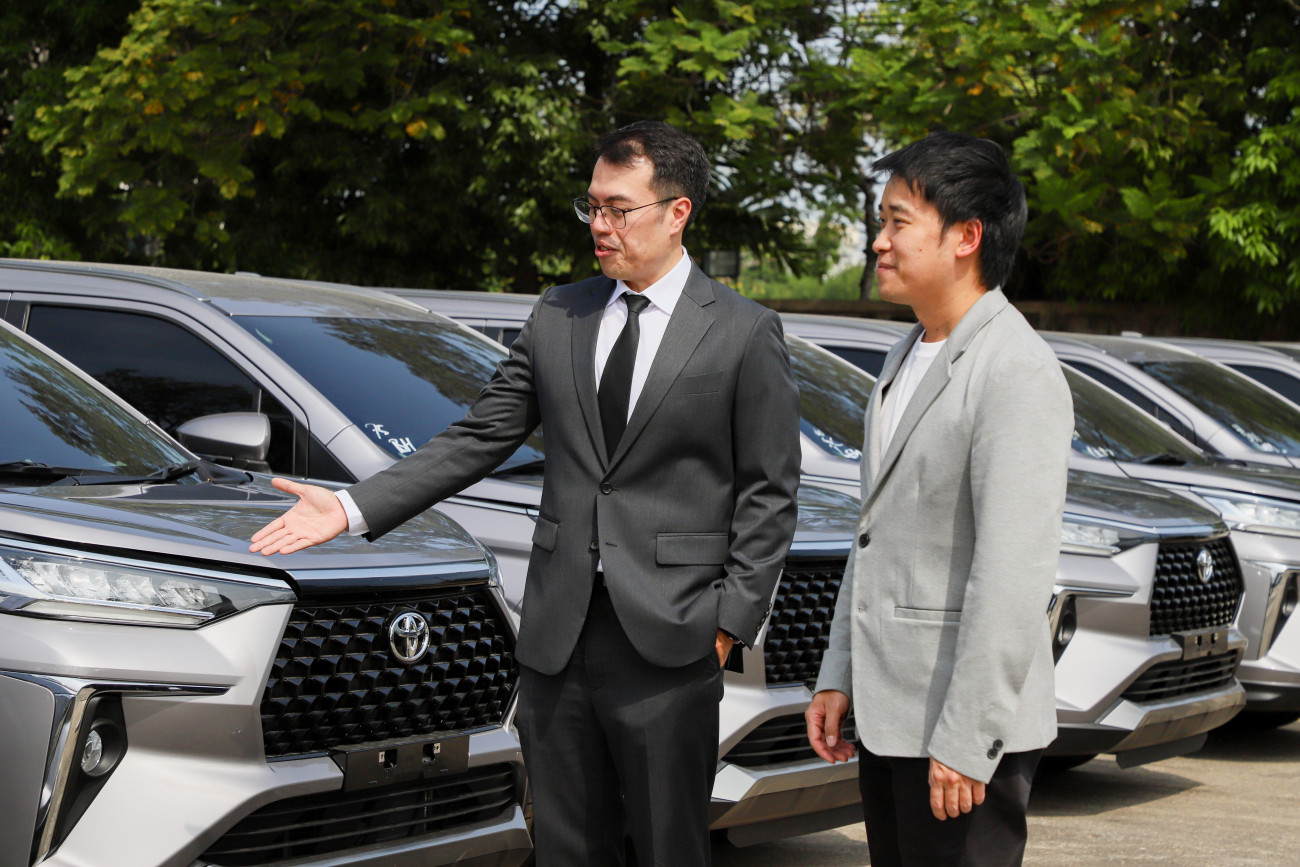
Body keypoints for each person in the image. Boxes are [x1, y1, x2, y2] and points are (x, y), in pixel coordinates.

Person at [250, 120, 801, 867]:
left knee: (670, 846)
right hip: (557, 635)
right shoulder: (559, 313)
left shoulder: (743, 330)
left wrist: (729, 622)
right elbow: (479, 436)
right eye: (592, 206)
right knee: (567, 848)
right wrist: (352, 507)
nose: (599, 226)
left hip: (674, 637)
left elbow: (769, 491)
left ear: (678, 212)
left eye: (619, 209)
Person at [804, 131, 1073, 866]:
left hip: (958, 733)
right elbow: (875, 535)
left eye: (898, 221)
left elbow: (1013, 573)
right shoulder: (905, 354)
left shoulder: (1014, 368)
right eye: (881, 221)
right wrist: (838, 674)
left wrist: (966, 738)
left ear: (967, 237)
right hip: (890, 714)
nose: (878, 241)